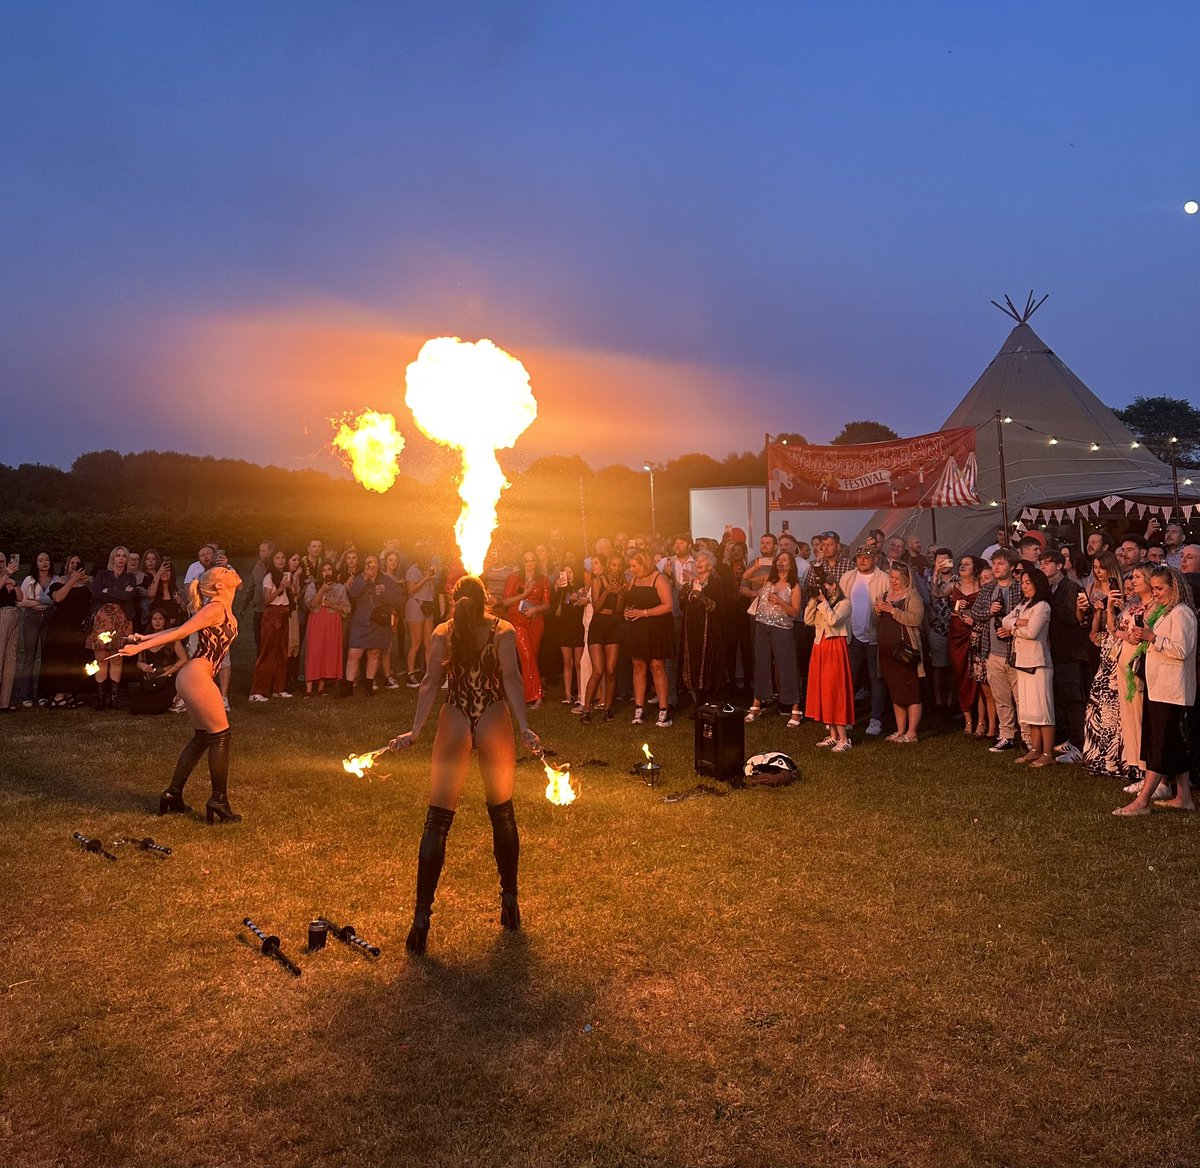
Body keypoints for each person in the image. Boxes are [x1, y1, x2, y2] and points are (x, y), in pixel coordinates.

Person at [388, 576, 541, 956]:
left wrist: (415, 730)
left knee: (437, 820)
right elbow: (511, 680)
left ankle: (421, 918)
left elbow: (429, 683)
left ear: (455, 600)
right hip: (491, 715)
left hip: (456, 714)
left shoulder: (443, 631)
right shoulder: (502, 630)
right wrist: (524, 727)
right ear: (485, 598)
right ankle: (509, 900)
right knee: (502, 814)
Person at [118, 564, 244, 823]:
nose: (231, 571)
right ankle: (218, 800)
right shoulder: (215, 608)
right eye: (225, 572)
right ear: (219, 585)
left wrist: (143, 638)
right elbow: (180, 633)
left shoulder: (221, 609)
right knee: (221, 736)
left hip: (195, 675)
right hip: (196, 674)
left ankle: (172, 795)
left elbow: (182, 628)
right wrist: (140, 647)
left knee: (202, 737)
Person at [1113, 567, 1195, 815]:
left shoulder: (1182, 614)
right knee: (1172, 745)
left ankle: (1143, 801)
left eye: (1160, 588)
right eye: (1155, 588)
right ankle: (1184, 797)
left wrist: (1152, 638)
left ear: (1175, 587)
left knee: (1159, 745)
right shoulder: (1166, 612)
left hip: (1173, 691)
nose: (1156, 593)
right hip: (1160, 687)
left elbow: (1182, 650)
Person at [1080, 552, 1131, 779]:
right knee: (1097, 708)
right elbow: (1093, 630)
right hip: (1103, 648)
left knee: (1115, 712)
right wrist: (1094, 609)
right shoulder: (1091, 588)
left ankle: (1117, 760)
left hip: (1121, 652)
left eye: (1102, 567)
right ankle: (1099, 757)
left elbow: (1118, 627)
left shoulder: (1126, 594)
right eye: (1095, 566)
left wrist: (1112, 606)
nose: (1098, 571)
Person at [1002, 567, 1055, 768]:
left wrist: (1015, 628)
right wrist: (1019, 622)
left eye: (1028, 583)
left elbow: (1032, 631)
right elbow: (1005, 620)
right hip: (1022, 663)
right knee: (1029, 709)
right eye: (1023, 583)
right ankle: (1035, 749)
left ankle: (1048, 752)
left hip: (1038, 663)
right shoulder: (1023, 605)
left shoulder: (1042, 606)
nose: (1024, 587)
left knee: (1043, 709)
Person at [744, 549, 804, 727]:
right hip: (762, 626)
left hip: (782, 628)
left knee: (786, 666)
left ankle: (795, 708)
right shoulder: (768, 580)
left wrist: (780, 602)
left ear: (791, 564)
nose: (781, 562)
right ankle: (757, 703)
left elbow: (795, 612)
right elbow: (745, 579)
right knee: (761, 663)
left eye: (785, 560)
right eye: (779, 559)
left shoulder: (793, 586)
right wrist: (755, 566)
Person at [623, 549, 675, 727]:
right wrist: (628, 611)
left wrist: (643, 613)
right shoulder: (634, 579)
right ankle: (639, 708)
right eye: (630, 566)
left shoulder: (658, 578)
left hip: (656, 628)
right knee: (638, 665)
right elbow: (630, 600)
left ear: (644, 563)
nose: (631, 569)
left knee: (657, 666)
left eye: (634, 566)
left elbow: (668, 606)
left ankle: (664, 710)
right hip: (637, 628)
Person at [840, 545, 889, 736]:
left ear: (875, 559)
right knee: (849, 678)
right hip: (852, 635)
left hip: (873, 637)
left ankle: (875, 718)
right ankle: (847, 717)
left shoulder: (883, 579)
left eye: (866, 558)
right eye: (859, 557)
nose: (862, 561)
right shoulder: (848, 577)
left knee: (876, 679)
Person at [802, 575, 855, 751]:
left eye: (825, 588)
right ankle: (832, 735)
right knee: (823, 690)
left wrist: (823, 602)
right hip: (820, 647)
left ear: (834, 587)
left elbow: (833, 621)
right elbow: (808, 621)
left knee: (835, 689)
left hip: (835, 647)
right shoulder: (822, 603)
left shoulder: (844, 604)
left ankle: (844, 739)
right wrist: (812, 601)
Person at [875, 563, 925, 742]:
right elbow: (879, 619)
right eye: (891, 577)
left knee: (910, 690)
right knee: (895, 689)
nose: (893, 581)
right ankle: (900, 729)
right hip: (887, 652)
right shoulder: (885, 595)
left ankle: (912, 732)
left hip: (905, 651)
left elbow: (916, 619)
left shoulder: (912, 596)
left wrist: (893, 610)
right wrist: (879, 610)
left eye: (897, 578)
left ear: (905, 578)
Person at [343, 553, 404, 697]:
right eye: (368, 563)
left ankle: (369, 686)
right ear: (365, 565)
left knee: (374, 652)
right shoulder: (360, 578)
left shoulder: (387, 581)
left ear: (379, 564)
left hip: (379, 621)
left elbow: (397, 599)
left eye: (374, 562)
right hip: (361, 620)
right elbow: (352, 593)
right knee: (354, 653)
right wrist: (364, 579)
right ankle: (347, 687)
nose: (372, 565)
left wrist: (383, 592)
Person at [980, 549, 1023, 752]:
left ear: (1012, 567)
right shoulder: (988, 589)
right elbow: (977, 612)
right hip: (993, 652)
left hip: (1015, 652)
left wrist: (1011, 630)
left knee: (1021, 698)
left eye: (1001, 564)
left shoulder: (1020, 588)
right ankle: (1006, 735)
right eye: (994, 563)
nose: (996, 567)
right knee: (1001, 698)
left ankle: (1028, 737)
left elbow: (1029, 615)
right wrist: (990, 611)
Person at [88, 546, 138, 710]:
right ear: (113, 558)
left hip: (122, 620)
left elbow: (129, 596)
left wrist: (109, 591)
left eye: (125, 556)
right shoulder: (102, 574)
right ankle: (101, 700)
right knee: (101, 658)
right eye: (118, 556)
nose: (121, 559)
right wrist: (120, 592)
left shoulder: (130, 577)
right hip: (103, 620)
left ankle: (114, 700)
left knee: (117, 658)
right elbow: (96, 594)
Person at [580, 553, 628, 723]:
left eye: (619, 565)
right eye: (613, 565)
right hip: (598, 625)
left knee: (611, 671)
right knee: (598, 670)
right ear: (609, 565)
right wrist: (608, 591)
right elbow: (597, 607)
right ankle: (586, 709)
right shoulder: (598, 580)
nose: (616, 568)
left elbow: (619, 610)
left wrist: (621, 594)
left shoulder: (623, 583)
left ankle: (608, 709)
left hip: (612, 626)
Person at [500, 551, 551, 708]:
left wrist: (535, 610)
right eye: (526, 560)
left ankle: (525, 693)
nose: (529, 563)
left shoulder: (543, 580)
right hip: (518, 623)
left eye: (532, 560)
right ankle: (537, 696)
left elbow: (548, 605)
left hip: (536, 621)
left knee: (531, 658)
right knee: (527, 656)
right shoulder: (514, 578)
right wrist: (525, 594)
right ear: (522, 562)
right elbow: (506, 602)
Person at [40, 554, 92, 707]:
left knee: (75, 659)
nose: (75, 565)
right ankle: (58, 695)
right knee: (61, 659)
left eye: (77, 562)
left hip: (79, 626)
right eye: (72, 563)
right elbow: (57, 598)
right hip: (61, 626)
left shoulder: (86, 583)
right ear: (66, 566)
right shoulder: (59, 582)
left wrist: (87, 582)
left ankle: (70, 692)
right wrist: (73, 580)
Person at [679, 547, 726, 709]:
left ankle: (710, 700)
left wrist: (700, 595)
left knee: (709, 663)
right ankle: (697, 700)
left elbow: (717, 607)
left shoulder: (716, 583)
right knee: (694, 661)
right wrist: (686, 590)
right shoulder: (693, 582)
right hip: (692, 631)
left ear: (711, 565)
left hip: (710, 631)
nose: (699, 562)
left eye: (703, 560)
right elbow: (683, 605)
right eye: (697, 560)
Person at [249, 550, 296, 701]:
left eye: (283, 557)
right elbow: (267, 599)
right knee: (267, 652)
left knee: (282, 652)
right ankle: (257, 691)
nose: (281, 560)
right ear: (272, 561)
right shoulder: (269, 577)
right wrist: (281, 588)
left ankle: (278, 688)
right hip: (272, 615)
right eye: (278, 558)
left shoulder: (285, 576)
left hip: (283, 614)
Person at [946, 554, 985, 734]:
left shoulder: (982, 586)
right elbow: (935, 594)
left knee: (978, 676)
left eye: (966, 564)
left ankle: (982, 721)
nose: (962, 567)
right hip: (957, 635)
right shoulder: (954, 586)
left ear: (975, 568)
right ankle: (968, 719)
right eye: (961, 564)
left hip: (976, 632)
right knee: (961, 674)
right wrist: (938, 572)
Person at [303, 560, 350, 696]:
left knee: (327, 652)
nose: (327, 572)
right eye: (324, 570)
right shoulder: (313, 586)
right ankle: (308, 689)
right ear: (320, 572)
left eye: (329, 569)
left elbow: (346, 608)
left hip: (332, 621)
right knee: (314, 651)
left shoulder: (340, 588)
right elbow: (311, 604)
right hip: (317, 620)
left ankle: (321, 687)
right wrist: (321, 590)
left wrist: (332, 605)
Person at [16, 550, 56, 707]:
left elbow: (56, 602)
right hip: (31, 618)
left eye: (47, 559)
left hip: (48, 618)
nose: (44, 562)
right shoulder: (29, 580)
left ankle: (43, 693)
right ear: (36, 563)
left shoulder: (55, 580)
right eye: (41, 560)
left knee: (46, 656)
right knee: (29, 656)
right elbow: (20, 602)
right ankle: (26, 694)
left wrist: (35, 599)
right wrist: (41, 603)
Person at [549, 564, 587, 708]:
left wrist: (578, 596)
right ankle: (567, 695)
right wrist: (557, 588)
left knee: (578, 663)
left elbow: (585, 603)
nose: (568, 575)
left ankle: (580, 694)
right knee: (567, 662)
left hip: (577, 627)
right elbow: (554, 607)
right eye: (564, 573)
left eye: (570, 572)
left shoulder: (581, 587)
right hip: (564, 627)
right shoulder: (560, 589)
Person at [405, 551, 439, 686]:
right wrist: (425, 579)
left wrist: (432, 577)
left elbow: (433, 590)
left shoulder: (430, 570)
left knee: (429, 642)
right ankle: (410, 674)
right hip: (416, 604)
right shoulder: (413, 570)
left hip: (427, 606)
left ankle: (428, 673)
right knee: (416, 642)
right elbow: (410, 590)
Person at [0, 552, 19, 711]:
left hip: (13, 615)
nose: (1, 563)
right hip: (1, 615)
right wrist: (5, 577)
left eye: (3, 561)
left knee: (10, 661)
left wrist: (14, 585)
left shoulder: (9, 579)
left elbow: (20, 597)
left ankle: (4, 702)